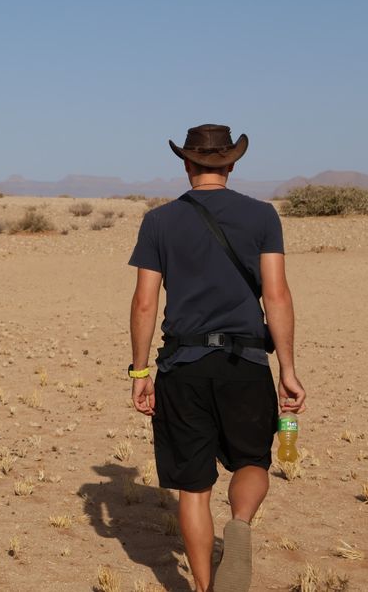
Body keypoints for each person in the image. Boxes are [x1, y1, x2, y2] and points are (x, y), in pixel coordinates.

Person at [128, 124, 307, 592]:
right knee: (252, 461)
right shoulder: (262, 216)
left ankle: (206, 587)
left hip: (182, 366)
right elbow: (278, 295)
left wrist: (140, 370)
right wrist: (287, 368)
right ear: (231, 165)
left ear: (187, 164)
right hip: (244, 363)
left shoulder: (159, 221)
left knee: (194, 488)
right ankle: (241, 523)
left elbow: (145, 302)